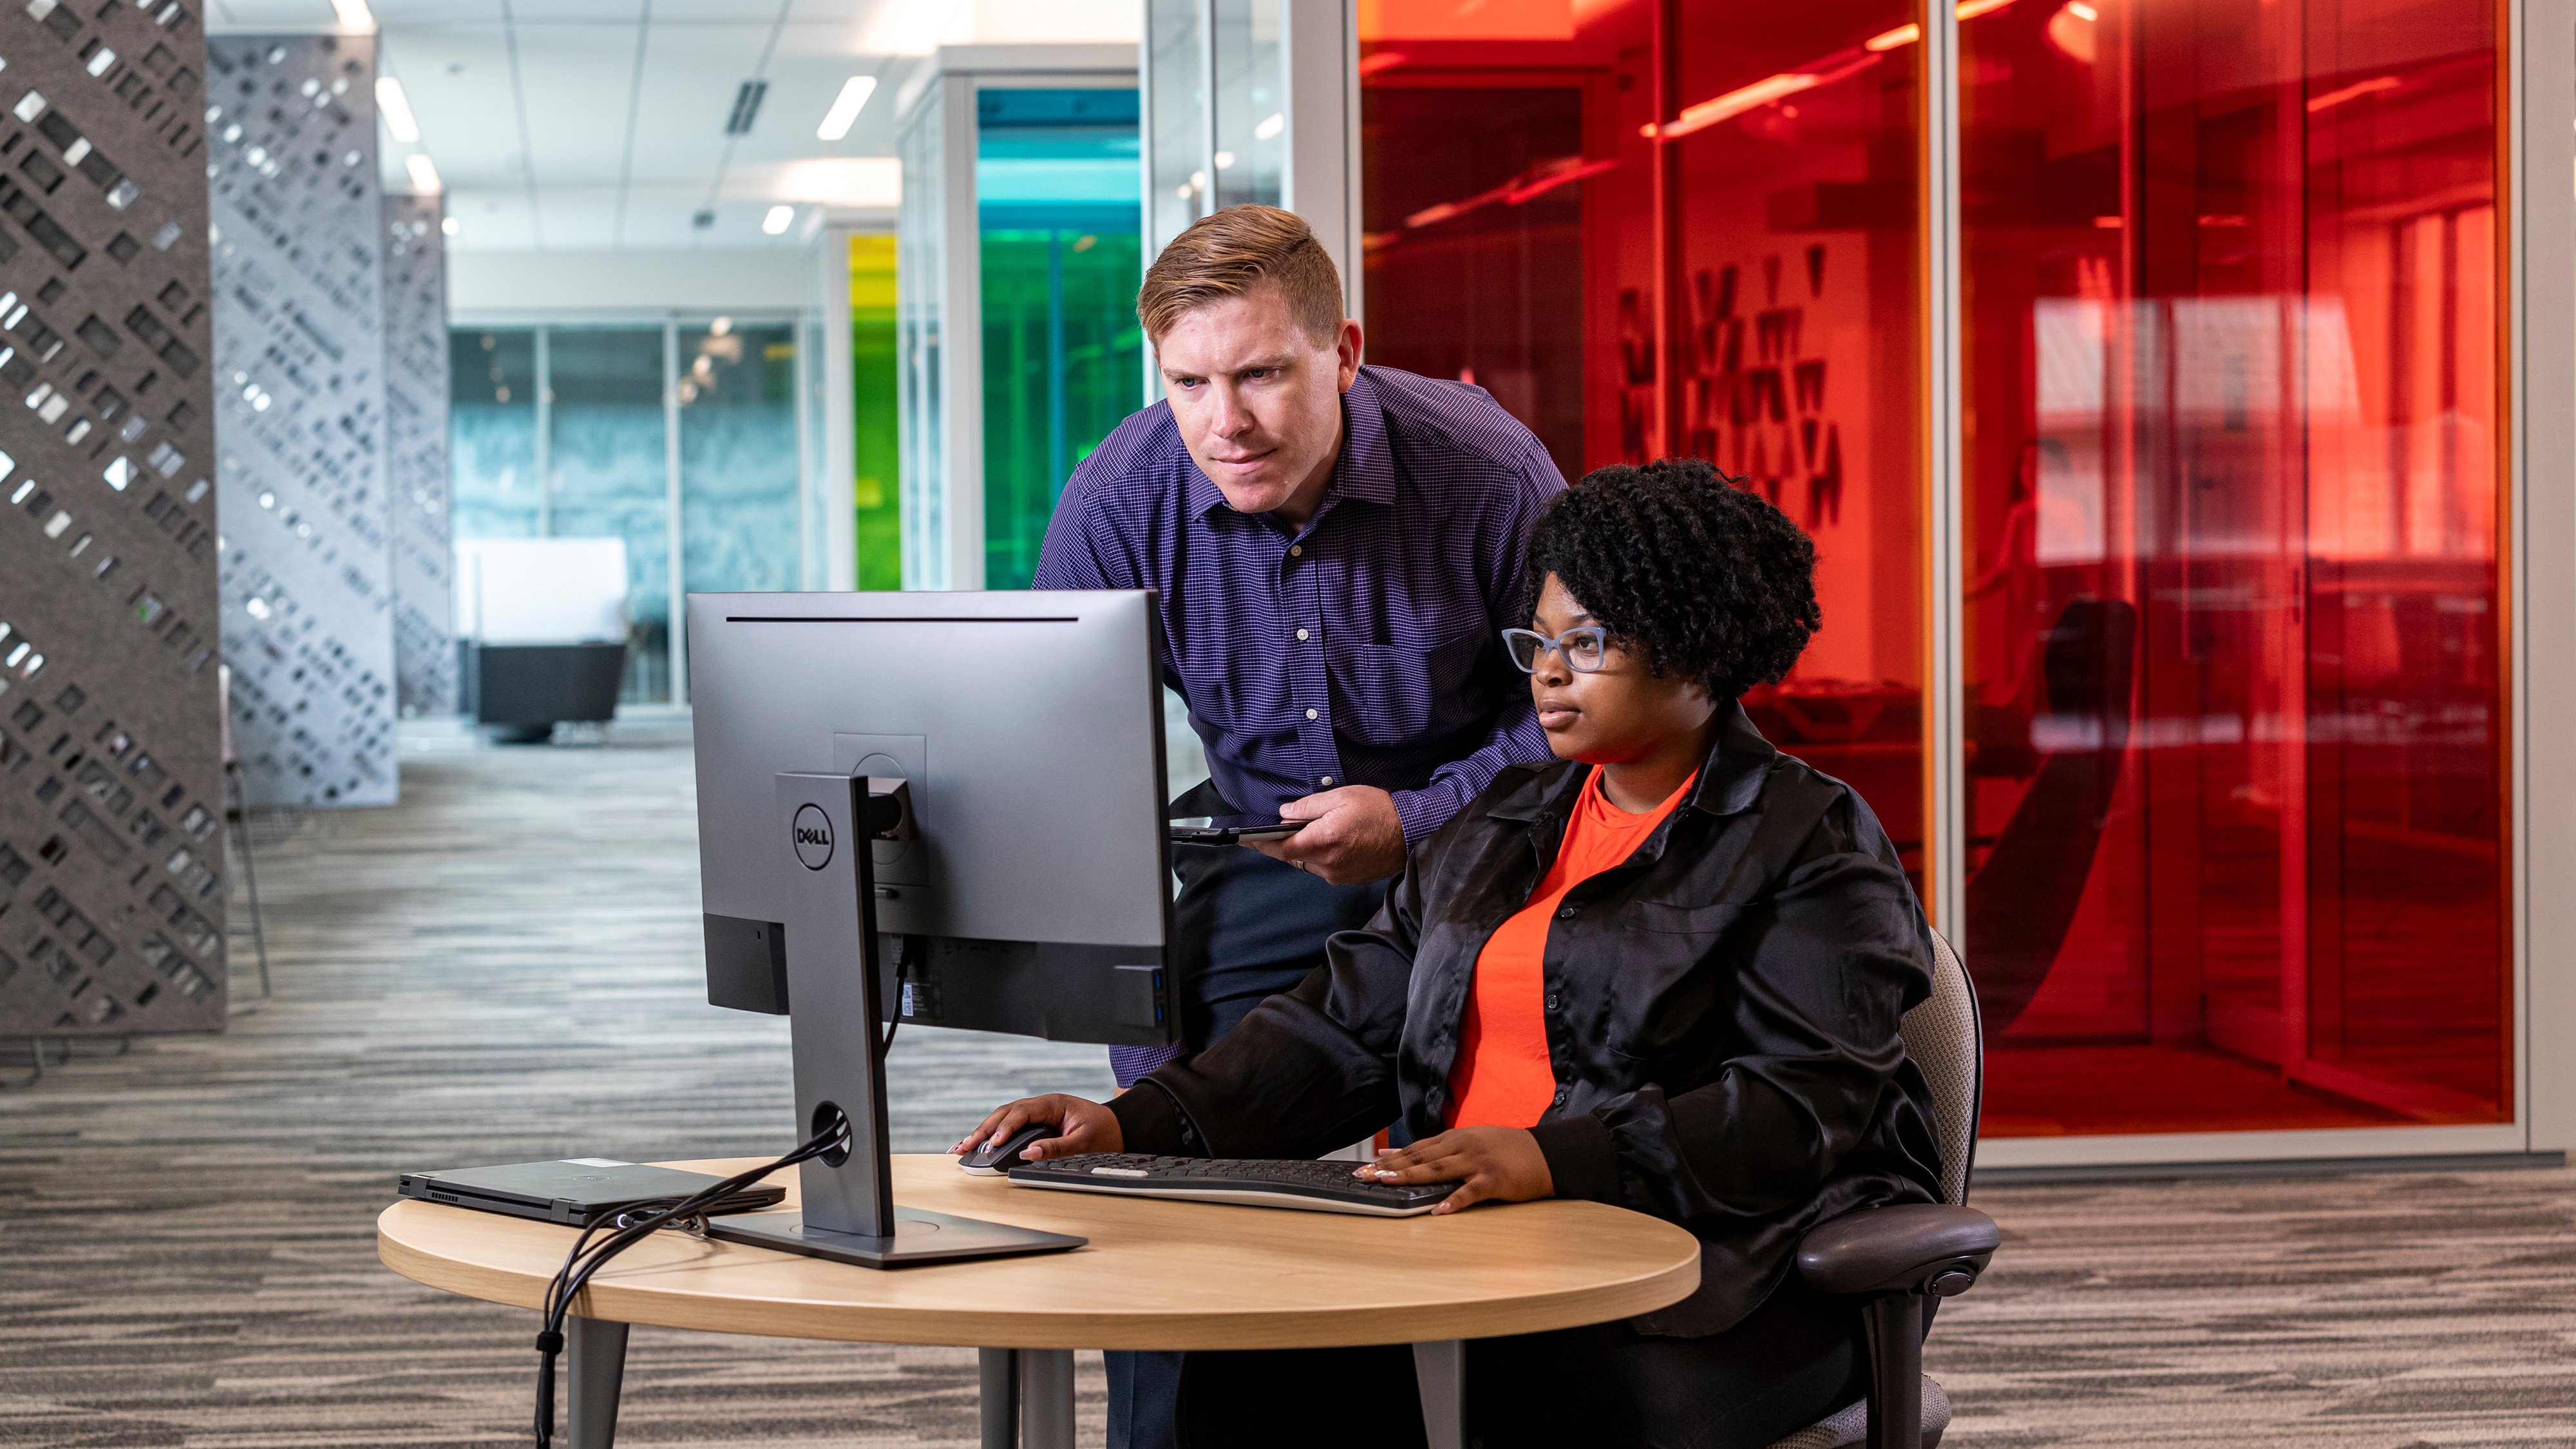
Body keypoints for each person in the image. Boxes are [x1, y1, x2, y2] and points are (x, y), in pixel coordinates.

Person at [964, 460, 1944, 1449]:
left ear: (1696, 653)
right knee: (1248, 1385)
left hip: (1727, 1272)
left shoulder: (1809, 838)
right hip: (1486, 1251)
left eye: (1588, 644)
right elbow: (1338, 1027)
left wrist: (1553, 1156)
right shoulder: (1502, 823)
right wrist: (1133, 1124)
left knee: (1531, 1408)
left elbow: (1804, 1104)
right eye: (1539, 642)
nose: (1547, 673)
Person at [1030, 203, 1566, 1448]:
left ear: (1344, 352)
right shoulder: (1125, 492)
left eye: (1264, 372)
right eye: (1190, 382)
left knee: (1487, 1131)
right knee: (1166, 1127)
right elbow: (1061, 738)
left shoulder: (1483, 471)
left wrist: (1420, 816)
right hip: (1262, 835)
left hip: (1485, 835)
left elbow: (1584, 707)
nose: (1228, 422)